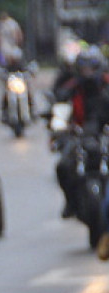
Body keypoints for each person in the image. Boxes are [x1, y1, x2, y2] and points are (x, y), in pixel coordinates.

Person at [52, 47, 109, 223]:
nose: (87, 72)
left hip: (105, 133)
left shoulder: (106, 84)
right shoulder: (72, 86)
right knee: (63, 166)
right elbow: (58, 100)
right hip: (80, 134)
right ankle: (71, 201)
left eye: (91, 67)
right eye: (84, 68)